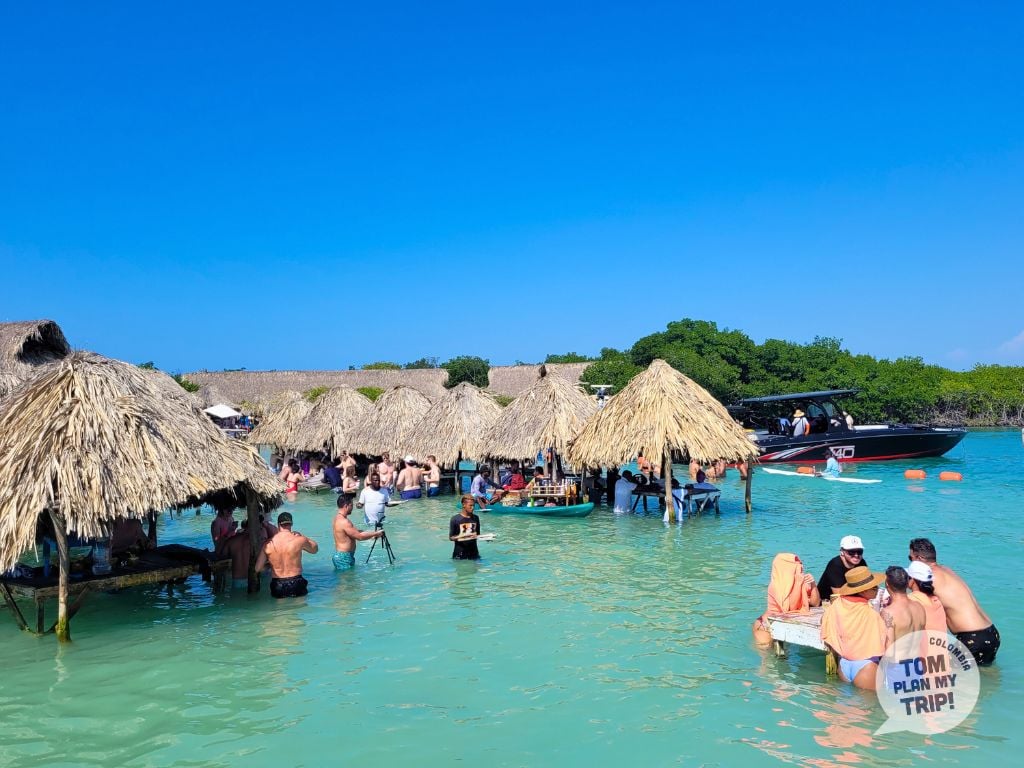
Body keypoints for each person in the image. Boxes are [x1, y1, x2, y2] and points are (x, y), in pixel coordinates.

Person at [909, 538, 999, 664]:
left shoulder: (929, 577)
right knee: (983, 676)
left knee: (950, 679)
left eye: (910, 558)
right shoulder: (947, 570)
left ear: (918, 558)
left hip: (972, 639)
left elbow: (919, 603)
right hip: (991, 633)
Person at [820, 566, 888, 689]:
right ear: (863, 591)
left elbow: (825, 622)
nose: (878, 589)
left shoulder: (837, 605)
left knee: (846, 705)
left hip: (844, 664)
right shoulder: (870, 614)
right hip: (866, 666)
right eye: (874, 587)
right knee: (871, 706)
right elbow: (884, 643)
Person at [752, 553, 821, 646]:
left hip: (784, 623)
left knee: (784, 656)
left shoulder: (801, 582)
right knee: (768, 655)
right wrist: (798, 584)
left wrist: (813, 585)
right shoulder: (775, 586)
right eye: (797, 567)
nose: (801, 568)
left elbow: (816, 603)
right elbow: (788, 608)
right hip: (765, 626)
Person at [254, 511, 318, 598]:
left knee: (281, 611)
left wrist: (270, 566)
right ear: (291, 524)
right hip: (296, 581)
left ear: (278, 524)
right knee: (299, 608)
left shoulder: (268, 544)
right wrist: (302, 535)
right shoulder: (299, 540)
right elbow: (315, 549)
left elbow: (257, 568)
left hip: (278, 583)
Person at [332, 495, 384, 570]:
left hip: (342, 556)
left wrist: (372, 534)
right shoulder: (344, 522)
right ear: (346, 506)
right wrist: (376, 533)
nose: (352, 508)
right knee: (347, 581)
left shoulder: (337, 518)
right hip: (344, 557)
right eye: (351, 505)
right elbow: (359, 537)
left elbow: (354, 532)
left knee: (347, 580)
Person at [880, 566, 926, 643]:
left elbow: (888, 648)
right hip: (916, 654)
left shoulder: (888, 613)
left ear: (887, 583)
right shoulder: (919, 606)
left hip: (899, 655)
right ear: (907, 583)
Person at [818, 535, 870, 602]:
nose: (856, 555)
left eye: (859, 551)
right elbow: (838, 595)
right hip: (827, 600)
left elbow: (867, 585)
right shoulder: (835, 565)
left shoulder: (861, 562)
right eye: (851, 552)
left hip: (851, 597)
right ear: (842, 551)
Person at [905, 560, 949, 635]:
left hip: (924, 646)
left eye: (907, 577)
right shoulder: (937, 600)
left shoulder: (911, 600)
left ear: (912, 580)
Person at [449, 494, 482, 560]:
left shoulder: (476, 518)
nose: (472, 508)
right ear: (464, 505)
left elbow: (477, 534)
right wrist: (462, 535)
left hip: (474, 553)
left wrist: (485, 538)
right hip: (459, 553)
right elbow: (451, 538)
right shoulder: (455, 519)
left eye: (473, 505)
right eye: (470, 506)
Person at [223, 522, 255, 588]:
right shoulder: (255, 541)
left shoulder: (231, 540)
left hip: (237, 579)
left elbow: (223, 556)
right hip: (252, 578)